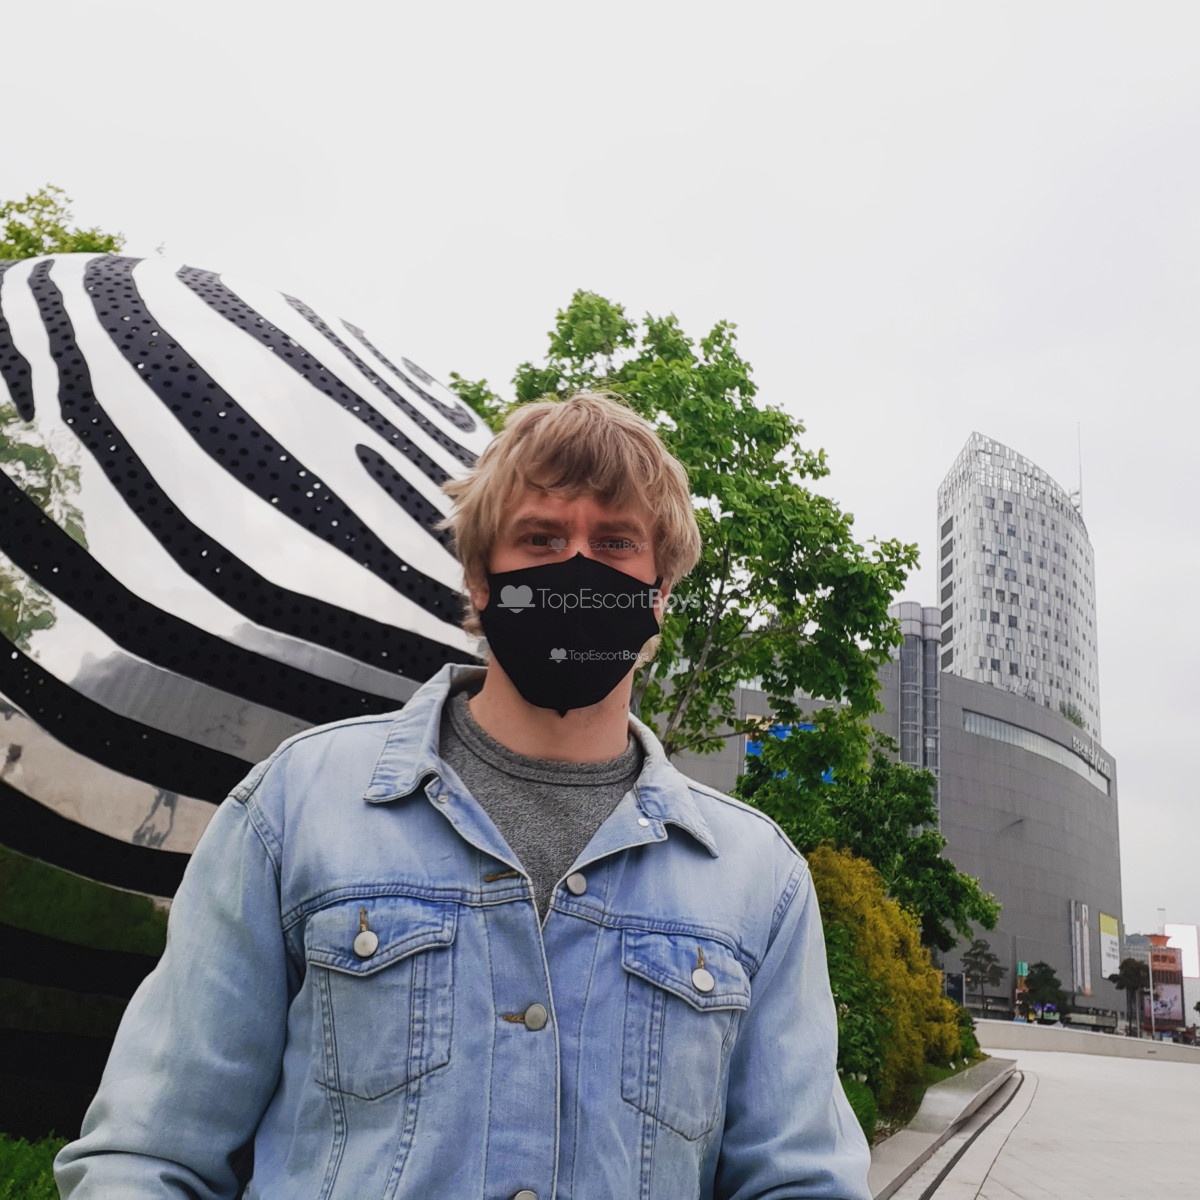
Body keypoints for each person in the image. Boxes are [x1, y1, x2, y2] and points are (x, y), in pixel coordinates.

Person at [55, 392, 871, 1199]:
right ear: (481, 580)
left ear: (659, 593)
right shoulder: (294, 808)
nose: (576, 568)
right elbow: (149, 1154)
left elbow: (801, 1181)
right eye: (540, 538)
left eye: (615, 542)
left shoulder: (757, 878)